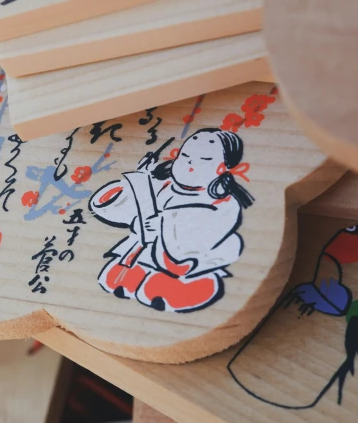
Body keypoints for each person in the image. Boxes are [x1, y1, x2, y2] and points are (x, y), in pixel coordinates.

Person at [89, 128, 254, 312]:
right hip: (148, 247)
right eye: (185, 155)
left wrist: (165, 222)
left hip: (184, 255)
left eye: (205, 159)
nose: (191, 161)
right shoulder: (163, 185)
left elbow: (210, 224)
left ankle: (177, 286)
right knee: (128, 267)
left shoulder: (223, 201)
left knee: (179, 274)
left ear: (222, 167)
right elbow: (136, 205)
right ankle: (136, 274)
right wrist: (138, 183)